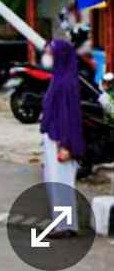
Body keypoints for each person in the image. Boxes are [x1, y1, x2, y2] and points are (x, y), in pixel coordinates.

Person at [40, 39, 85, 238]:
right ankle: (62, 224)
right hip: (53, 137)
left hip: (61, 140)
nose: (46, 57)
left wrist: (65, 144)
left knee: (61, 182)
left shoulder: (66, 83)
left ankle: (65, 227)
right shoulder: (59, 78)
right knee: (55, 181)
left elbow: (69, 117)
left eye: (50, 53)